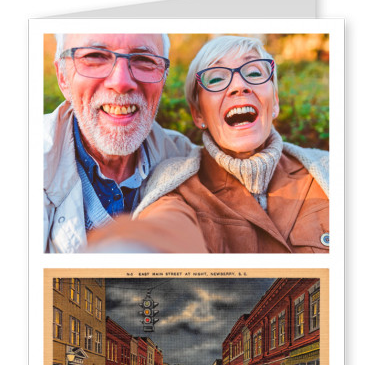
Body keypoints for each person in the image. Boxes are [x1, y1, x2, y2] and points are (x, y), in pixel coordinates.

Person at [87, 35, 329, 253]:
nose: (239, 86)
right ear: (198, 114)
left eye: (254, 73)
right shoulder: (177, 186)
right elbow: (166, 228)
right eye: (216, 78)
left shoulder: (328, 170)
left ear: (274, 101)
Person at [44, 33, 198, 253]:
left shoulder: (187, 161)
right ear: (62, 77)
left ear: (163, 78)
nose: (121, 82)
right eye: (95, 56)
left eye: (144, 60)